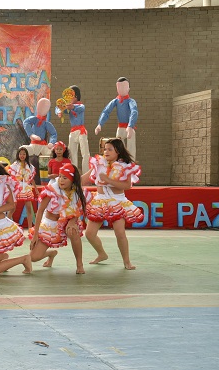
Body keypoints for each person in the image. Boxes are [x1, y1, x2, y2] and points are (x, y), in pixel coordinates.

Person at [81, 138, 143, 270]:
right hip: (100, 201)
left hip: (117, 202)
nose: (106, 151)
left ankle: (127, 262)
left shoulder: (124, 167)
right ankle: (102, 254)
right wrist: (67, 179)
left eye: (110, 149)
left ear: (118, 151)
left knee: (120, 233)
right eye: (105, 149)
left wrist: (108, 180)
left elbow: (126, 186)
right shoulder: (98, 164)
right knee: (89, 234)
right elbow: (84, 179)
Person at [30, 163, 88, 274]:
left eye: (65, 178)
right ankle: (51, 254)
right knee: (33, 257)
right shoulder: (52, 190)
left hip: (66, 222)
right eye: (60, 176)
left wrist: (72, 222)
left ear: (72, 180)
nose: (61, 180)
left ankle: (79, 264)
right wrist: (36, 234)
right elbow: (40, 211)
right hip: (50, 225)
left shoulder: (76, 192)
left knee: (73, 231)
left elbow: (76, 211)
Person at [95, 77, 138, 160]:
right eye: (119, 87)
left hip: (129, 128)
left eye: (124, 87)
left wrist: (130, 125)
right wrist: (100, 124)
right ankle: (119, 164)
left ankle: (131, 166)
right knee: (117, 148)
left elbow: (134, 111)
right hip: (120, 127)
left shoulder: (131, 101)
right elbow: (106, 111)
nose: (122, 89)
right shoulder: (116, 101)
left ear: (128, 88)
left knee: (131, 149)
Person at [55, 85, 90, 173]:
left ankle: (86, 174)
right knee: (71, 153)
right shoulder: (68, 106)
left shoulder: (80, 105)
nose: (69, 98)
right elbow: (58, 107)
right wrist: (60, 112)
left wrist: (72, 107)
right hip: (73, 131)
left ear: (76, 96)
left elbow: (81, 108)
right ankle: (73, 173)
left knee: (85, 154)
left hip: (81, 131)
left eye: (71, 96)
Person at [7, 147, 39, 230]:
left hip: (26, 188)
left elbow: (31, 179)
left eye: (24, 154)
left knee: (28, 207)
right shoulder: (14, 165)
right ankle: (6, 226)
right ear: (18, 155)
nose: (22, 155)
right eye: (20, 154)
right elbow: (11, 177)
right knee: (13, 207)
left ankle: (30, 228)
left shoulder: (30, 166)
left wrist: (35, 189)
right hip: (17, 187)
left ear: (26, 155)